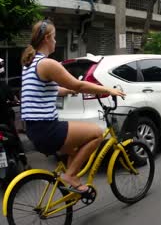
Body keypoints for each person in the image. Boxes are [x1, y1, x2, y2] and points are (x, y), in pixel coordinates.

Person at [21, 20, 125, 193]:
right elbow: (79, 85)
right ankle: (70, 175)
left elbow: (51, 89)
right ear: (47, 38)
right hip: (47, 129)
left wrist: (68, 91)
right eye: (54, 37)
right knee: (96, 134)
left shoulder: (31, 63)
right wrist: (107, 89)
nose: (55, 41)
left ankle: (72, 180)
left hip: (35, 129)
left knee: (75, 147)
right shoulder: (48, 64)